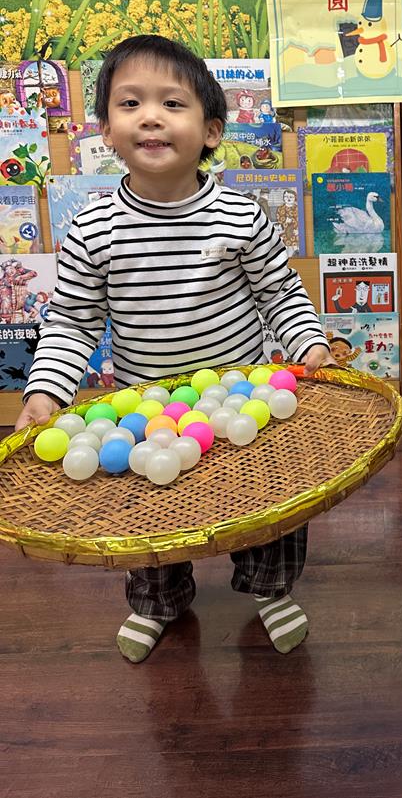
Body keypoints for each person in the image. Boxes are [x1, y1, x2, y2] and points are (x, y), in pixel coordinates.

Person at [16, 35, 334, 663]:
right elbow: (73, 323)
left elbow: (280, 293)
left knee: (265, 500)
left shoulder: (241, 216)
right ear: (106, 129)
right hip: (147, 410)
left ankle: (270, 588)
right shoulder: (93, 227)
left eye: (172, 103)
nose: (151, 117)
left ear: (212, 130)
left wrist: (309, 344)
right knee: (149, 509)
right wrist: (46, 391)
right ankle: (157, 602)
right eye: (130, 103)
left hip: (242, 402)